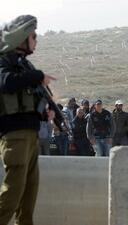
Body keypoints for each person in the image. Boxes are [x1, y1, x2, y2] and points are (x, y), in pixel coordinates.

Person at [0, 15, 56, 225]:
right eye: (33, 36)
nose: (36, 40)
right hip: (14, 137)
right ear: (21, 38)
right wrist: (38, 75)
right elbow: (6, 83)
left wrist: (46, 112)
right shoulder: (4, 61)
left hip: (30, 136)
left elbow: (29, 101)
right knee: (12, 194)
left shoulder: (25, 66)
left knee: (28, 197)